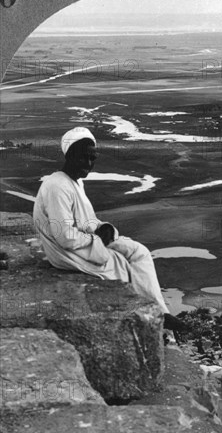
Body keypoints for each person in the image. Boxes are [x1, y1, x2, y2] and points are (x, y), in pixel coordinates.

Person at [33, 127, 182, 331]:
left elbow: (86, 221)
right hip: (66, 252)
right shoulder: (57, 186)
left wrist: (103, 228)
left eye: (92, 158)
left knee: (139, 252)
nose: (88, 164)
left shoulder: (75, 183)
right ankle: (146, 320)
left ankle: (160, 311)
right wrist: (97, 241)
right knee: (121, 265)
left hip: (84, 242)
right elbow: (65, 237)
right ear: (69, 156)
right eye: (82, 157)